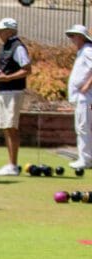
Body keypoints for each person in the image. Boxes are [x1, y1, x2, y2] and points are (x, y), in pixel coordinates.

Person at [0, 18, 31, 177]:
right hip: (5, 91)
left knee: (11, 127)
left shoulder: (18, 47)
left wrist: (7, 78)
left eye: (2, 30)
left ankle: (13, 165)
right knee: (7, 127)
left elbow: (27, 69)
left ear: (10, 31)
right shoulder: (6, 46)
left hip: (13, 91)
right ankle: (11, 164)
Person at [64, 24, 92, 171]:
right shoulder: (83, 51)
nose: (72, 39)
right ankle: (86, 157)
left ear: (81, 37)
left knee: (83, 127)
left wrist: (87, 85)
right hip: (82, 96)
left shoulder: (88, 50)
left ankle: (85, 159)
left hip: (85, 96)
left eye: (73, 36)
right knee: (82, 127)